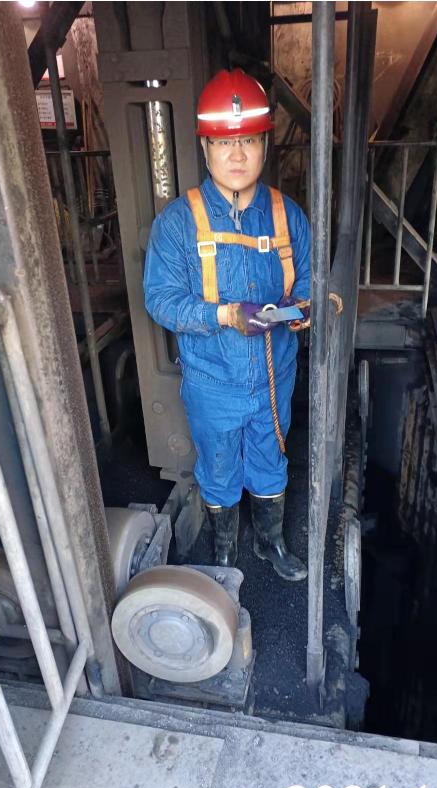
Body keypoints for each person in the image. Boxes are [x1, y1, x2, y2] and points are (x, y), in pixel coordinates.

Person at [143, 69, 311, 581]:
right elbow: (160, 300)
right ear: (205, 147)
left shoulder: (287, 216)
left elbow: (309, 283)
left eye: (249, 141)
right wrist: (224, 315)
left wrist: (302, 309)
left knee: (270, 457)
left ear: (265, 145)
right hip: (213, 381)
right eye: (222, 143)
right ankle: (224, 551)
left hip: (275, 376)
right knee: (218, 466)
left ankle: (270, 542)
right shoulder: (178, 223)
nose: (236, 155)